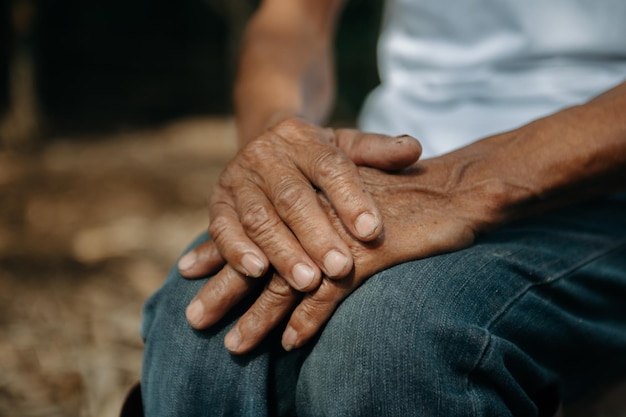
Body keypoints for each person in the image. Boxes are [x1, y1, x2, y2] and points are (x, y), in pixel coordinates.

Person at [140, 0, 626, 415]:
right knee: (196, 323)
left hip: (600, 187)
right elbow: (293, 19)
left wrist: (464, 186)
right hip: (390, 171)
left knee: (394, 337)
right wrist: (283, 146)